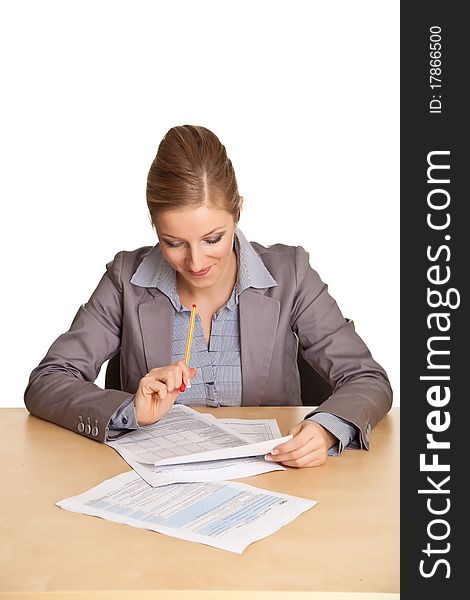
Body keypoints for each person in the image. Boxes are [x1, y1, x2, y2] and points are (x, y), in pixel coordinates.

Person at [24, 124, 392, 468]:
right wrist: (130, 411)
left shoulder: (290, 275)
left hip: (275, 476)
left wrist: (329, 427)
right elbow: (48, 381)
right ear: (154, 225)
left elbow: (366, 378)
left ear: (238, 212)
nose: (196, 262)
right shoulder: (125, 280)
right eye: (173, 243)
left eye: (213, 239)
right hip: (156, 486)